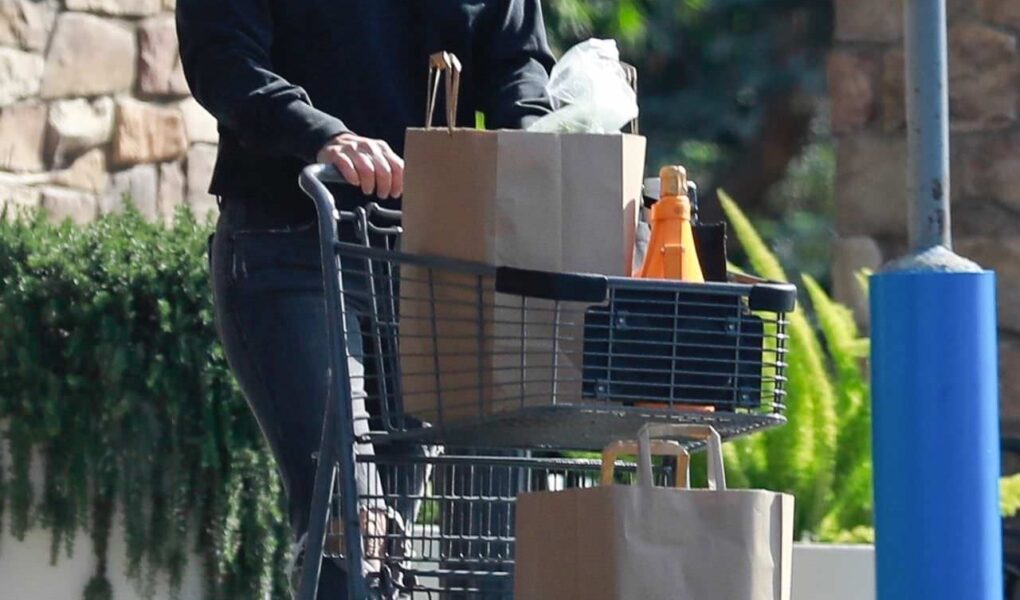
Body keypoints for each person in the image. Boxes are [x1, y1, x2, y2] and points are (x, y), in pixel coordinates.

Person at [175, 1, 555, 597]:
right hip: (293, 242)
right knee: (354, 524)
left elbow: (516, 61)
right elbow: (222, 57)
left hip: (426, 260)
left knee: (388, 551)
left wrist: (542, 147)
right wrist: (324, 135)